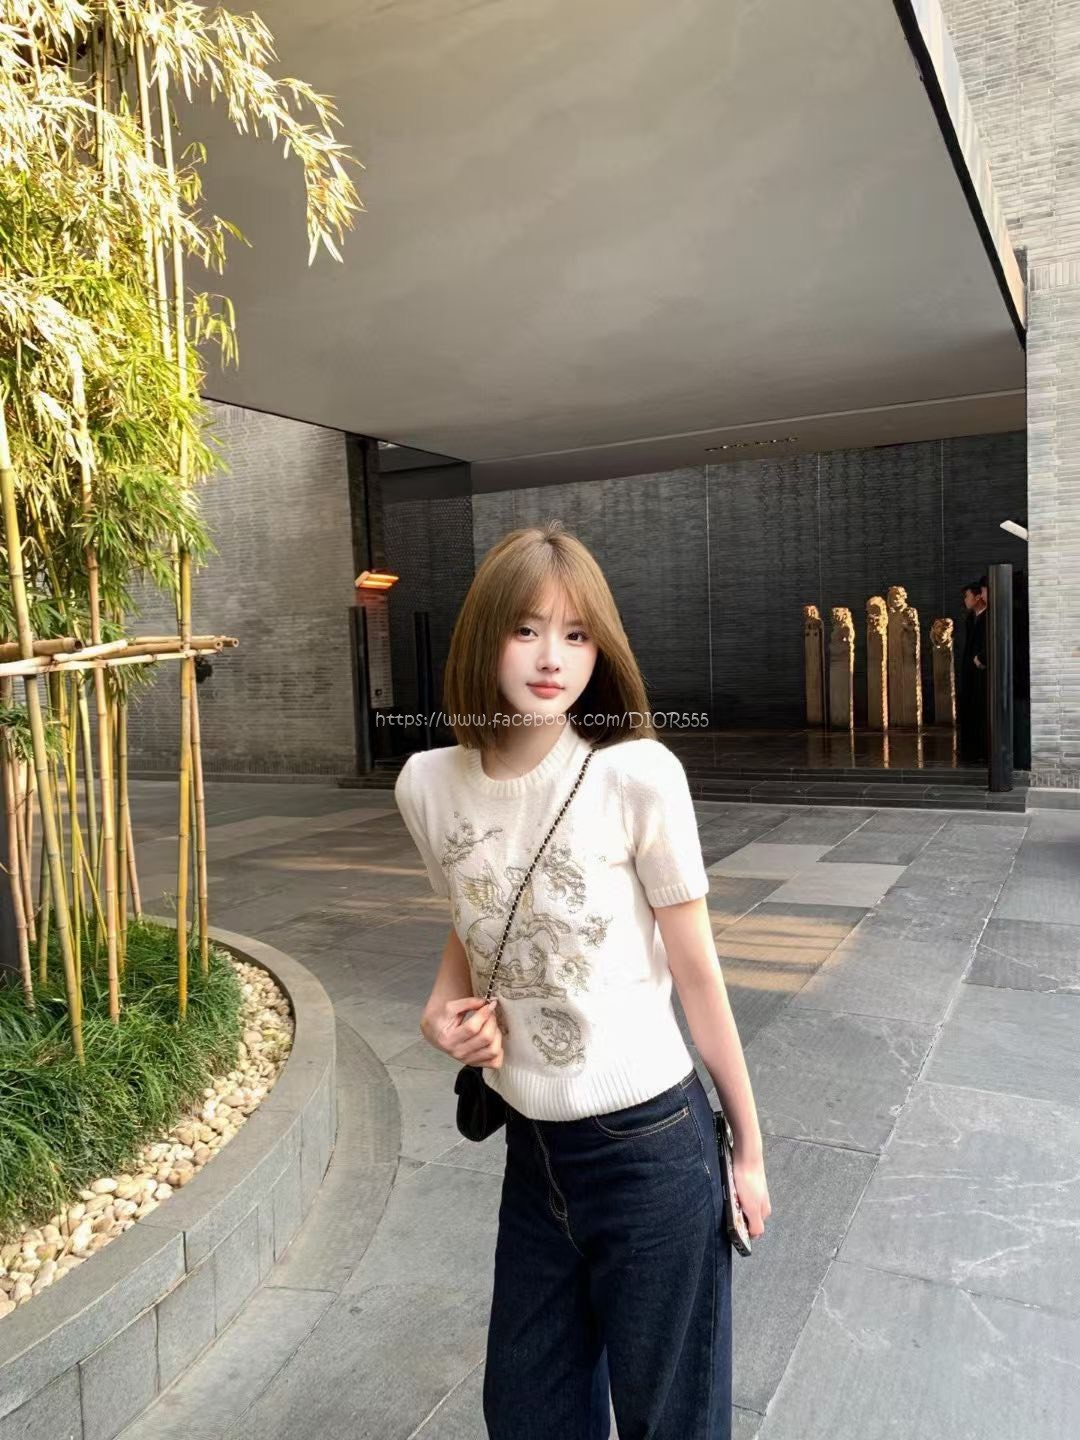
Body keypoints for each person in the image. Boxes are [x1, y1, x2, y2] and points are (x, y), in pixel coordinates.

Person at [394, 522, 770, 1440]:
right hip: (533, 1152)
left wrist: (750, 1153)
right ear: (484, 638)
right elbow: (476, 914)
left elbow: (699, 976)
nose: (551, 658)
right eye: (525, 629)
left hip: (651, 1145)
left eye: (575, 634)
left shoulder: (636, 776)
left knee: (671, 1419)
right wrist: (442, 1014)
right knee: (528, 1410)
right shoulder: (428, 784)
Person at [957, 576, 988, 764]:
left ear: (978, 597)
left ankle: (982, 751)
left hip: (982, 673)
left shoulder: (988, 618)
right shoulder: (970, 619)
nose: (965, 600)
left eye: (967, 596)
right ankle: (970, 752)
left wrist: (981, 659)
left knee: (981, 711)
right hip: (969, 672)